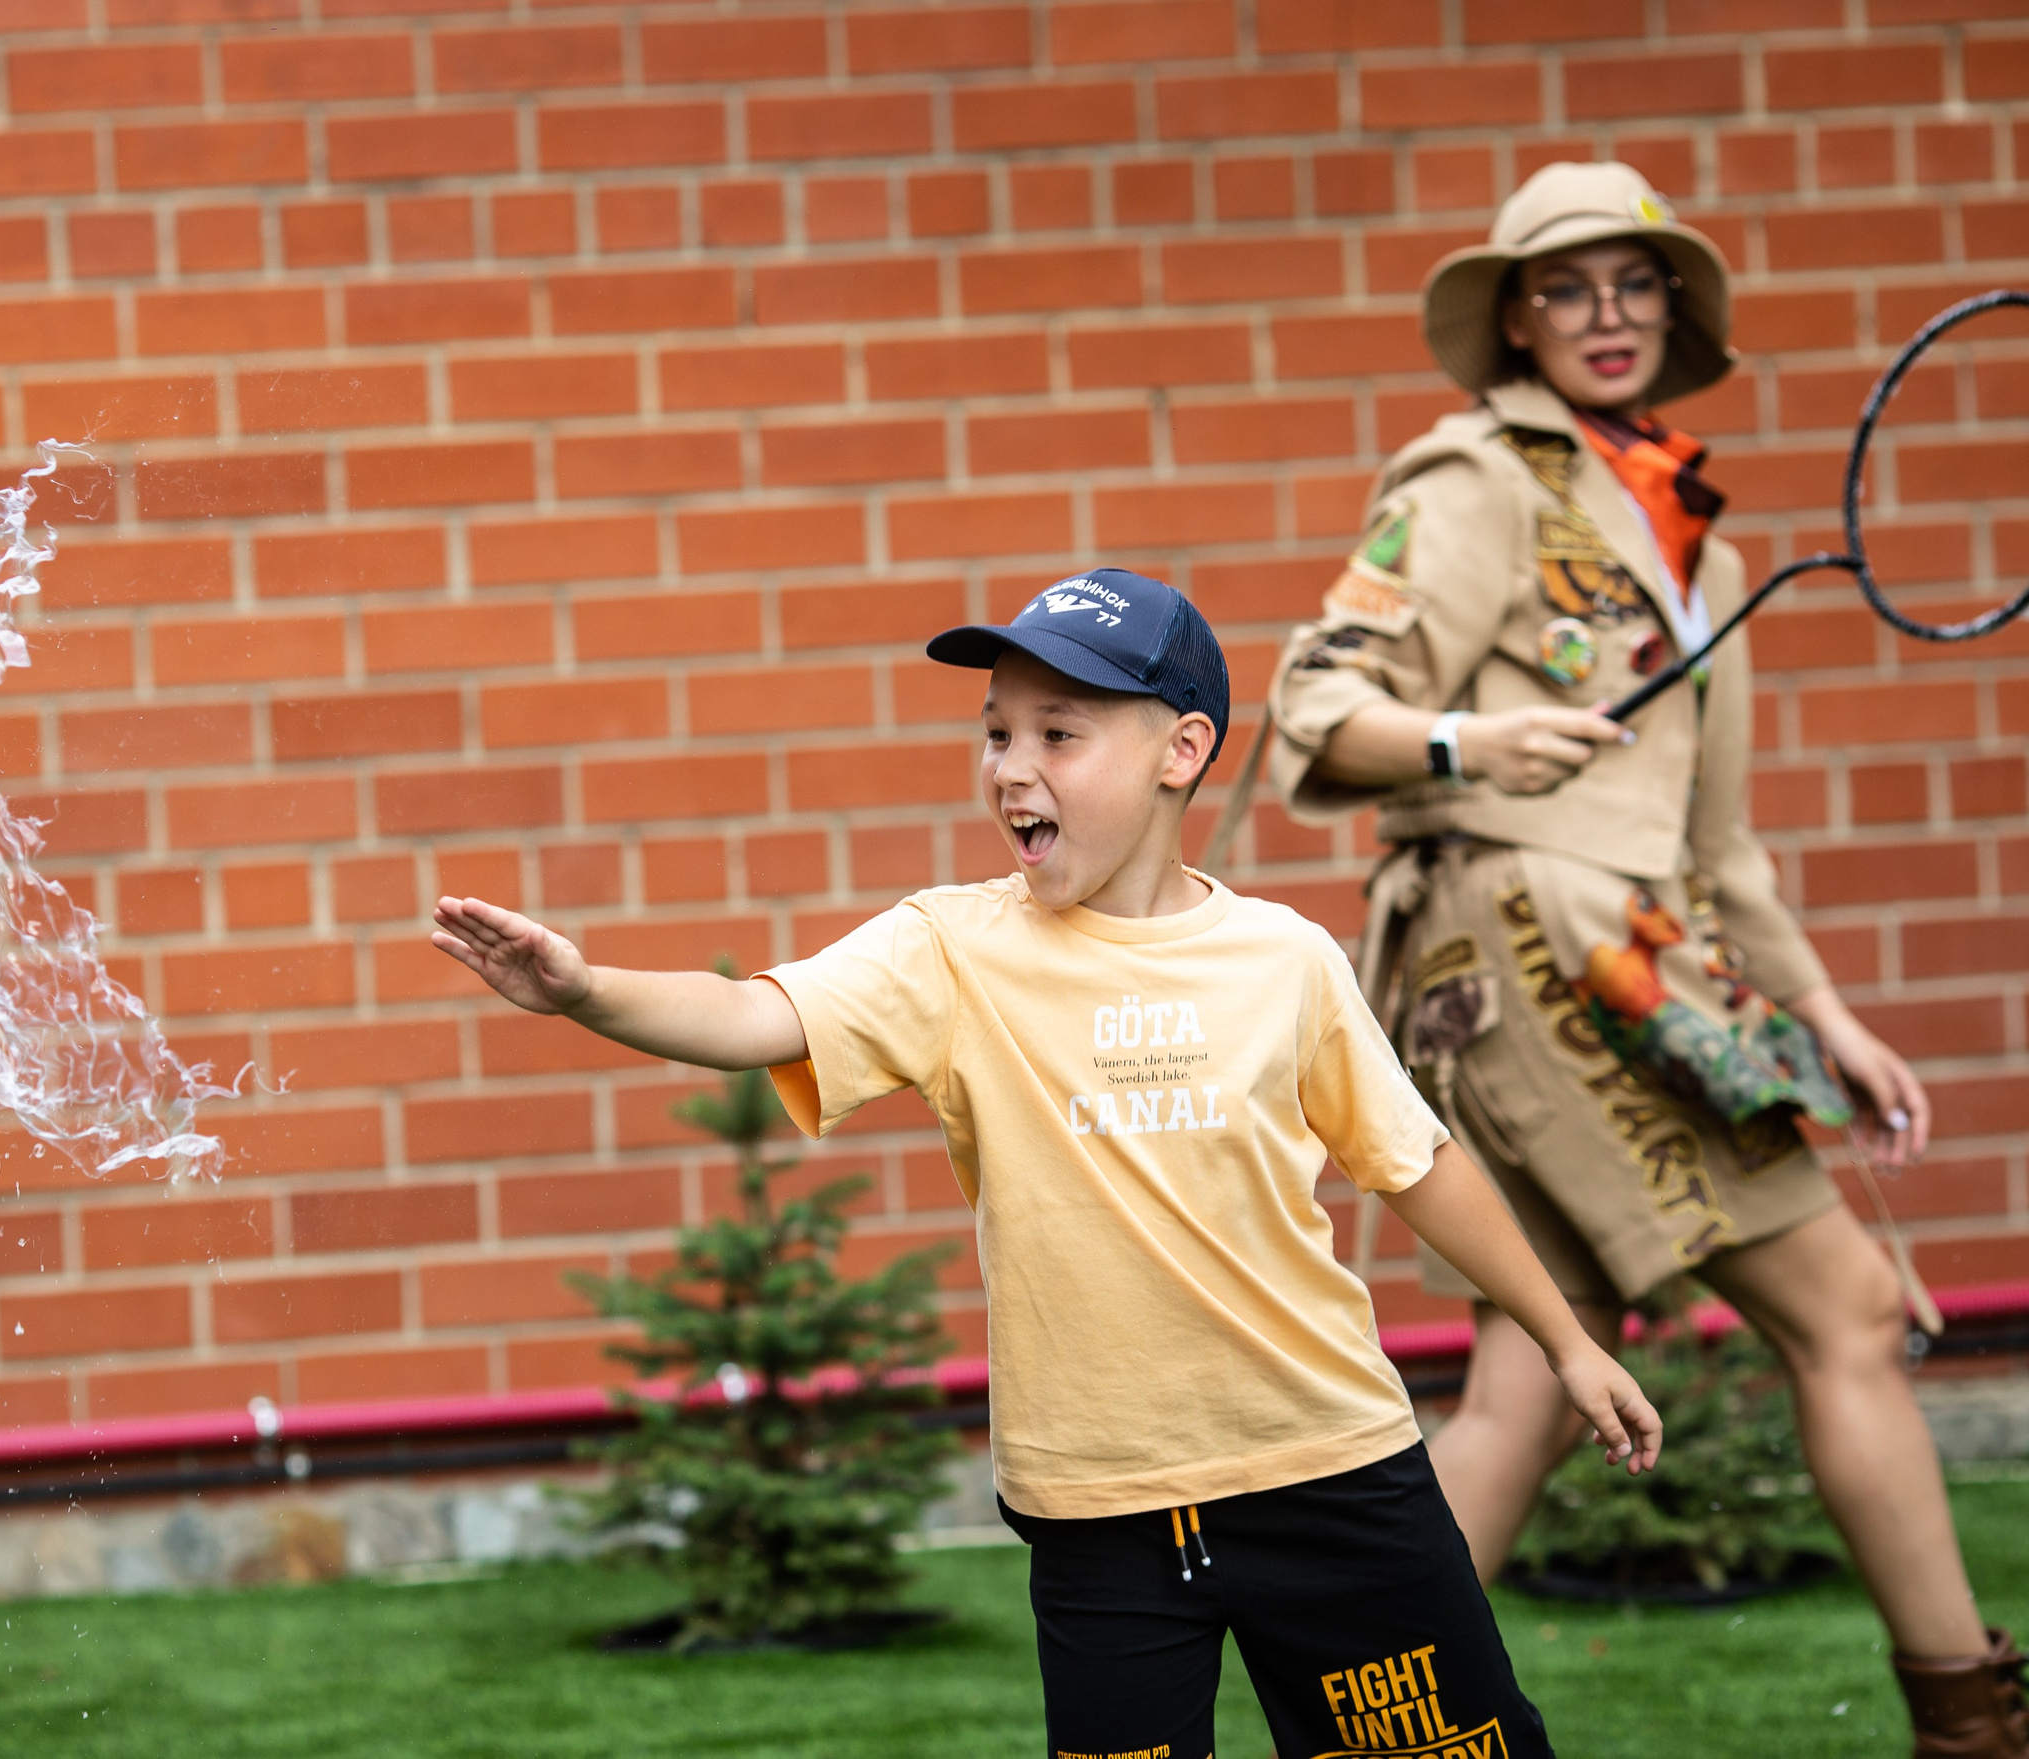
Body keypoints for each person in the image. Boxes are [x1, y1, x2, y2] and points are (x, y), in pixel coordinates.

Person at [434, 566, 1662, 1759]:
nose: (1011, 767)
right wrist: (586, 991)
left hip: (1330, 1475)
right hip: (1098, 1511)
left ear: (1180, 751)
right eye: (995, 733)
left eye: (1057, 733)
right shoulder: (950, 948)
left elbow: (1416, 1162)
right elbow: (757, 1018)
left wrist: (1565, 1340)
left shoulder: (1284, 960)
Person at [1267, 159, 2025, 1758]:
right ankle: (1973, 1721)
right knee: (1843, 1307)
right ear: (1520, 320)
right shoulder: (1476, 481)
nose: (1604, 315)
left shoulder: (1700, 548)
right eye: (1566, 286)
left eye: (1634, 284)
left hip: (1621, 942)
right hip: (1528, 941)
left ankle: (1377, 1737)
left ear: (1669, 312)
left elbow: (1715, 848)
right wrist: (1472, 734)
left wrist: (1825, 1013)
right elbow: (1313, 709)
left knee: (1531, 1381)